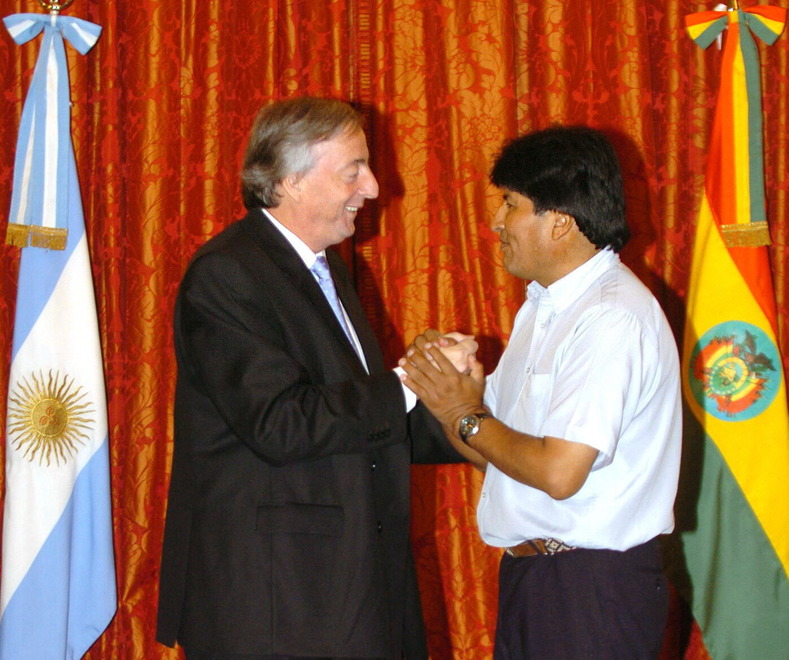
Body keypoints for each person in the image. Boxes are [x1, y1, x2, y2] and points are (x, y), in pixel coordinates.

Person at [156, 96, 474, 659]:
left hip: (340, 593)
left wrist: (467, 410)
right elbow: (281, 423)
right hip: (277, 604)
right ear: (291, 181)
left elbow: (364, 424)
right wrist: (410, 381)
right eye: (355, 170)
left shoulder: (327, 271)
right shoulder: (229, 273)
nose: (374, 187)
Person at [400, 126, 682, 659]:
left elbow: (558, 472)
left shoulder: (610, 317)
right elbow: (492, 453)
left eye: (511, 204)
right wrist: (446, 393)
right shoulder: (545, 307)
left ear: (560, 222)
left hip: (593, 589)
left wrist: (465, 411)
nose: (495, 222)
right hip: (540, 579)